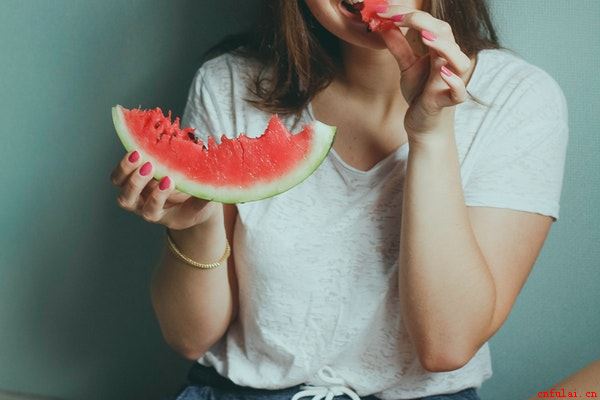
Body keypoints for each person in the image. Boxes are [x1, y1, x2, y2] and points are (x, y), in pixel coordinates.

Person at [109, 1, 569, 399]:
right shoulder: (228, 82)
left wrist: (431, 136)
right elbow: (189, 338)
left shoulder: (518, 98)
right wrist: (195, 223)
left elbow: (446, 346)